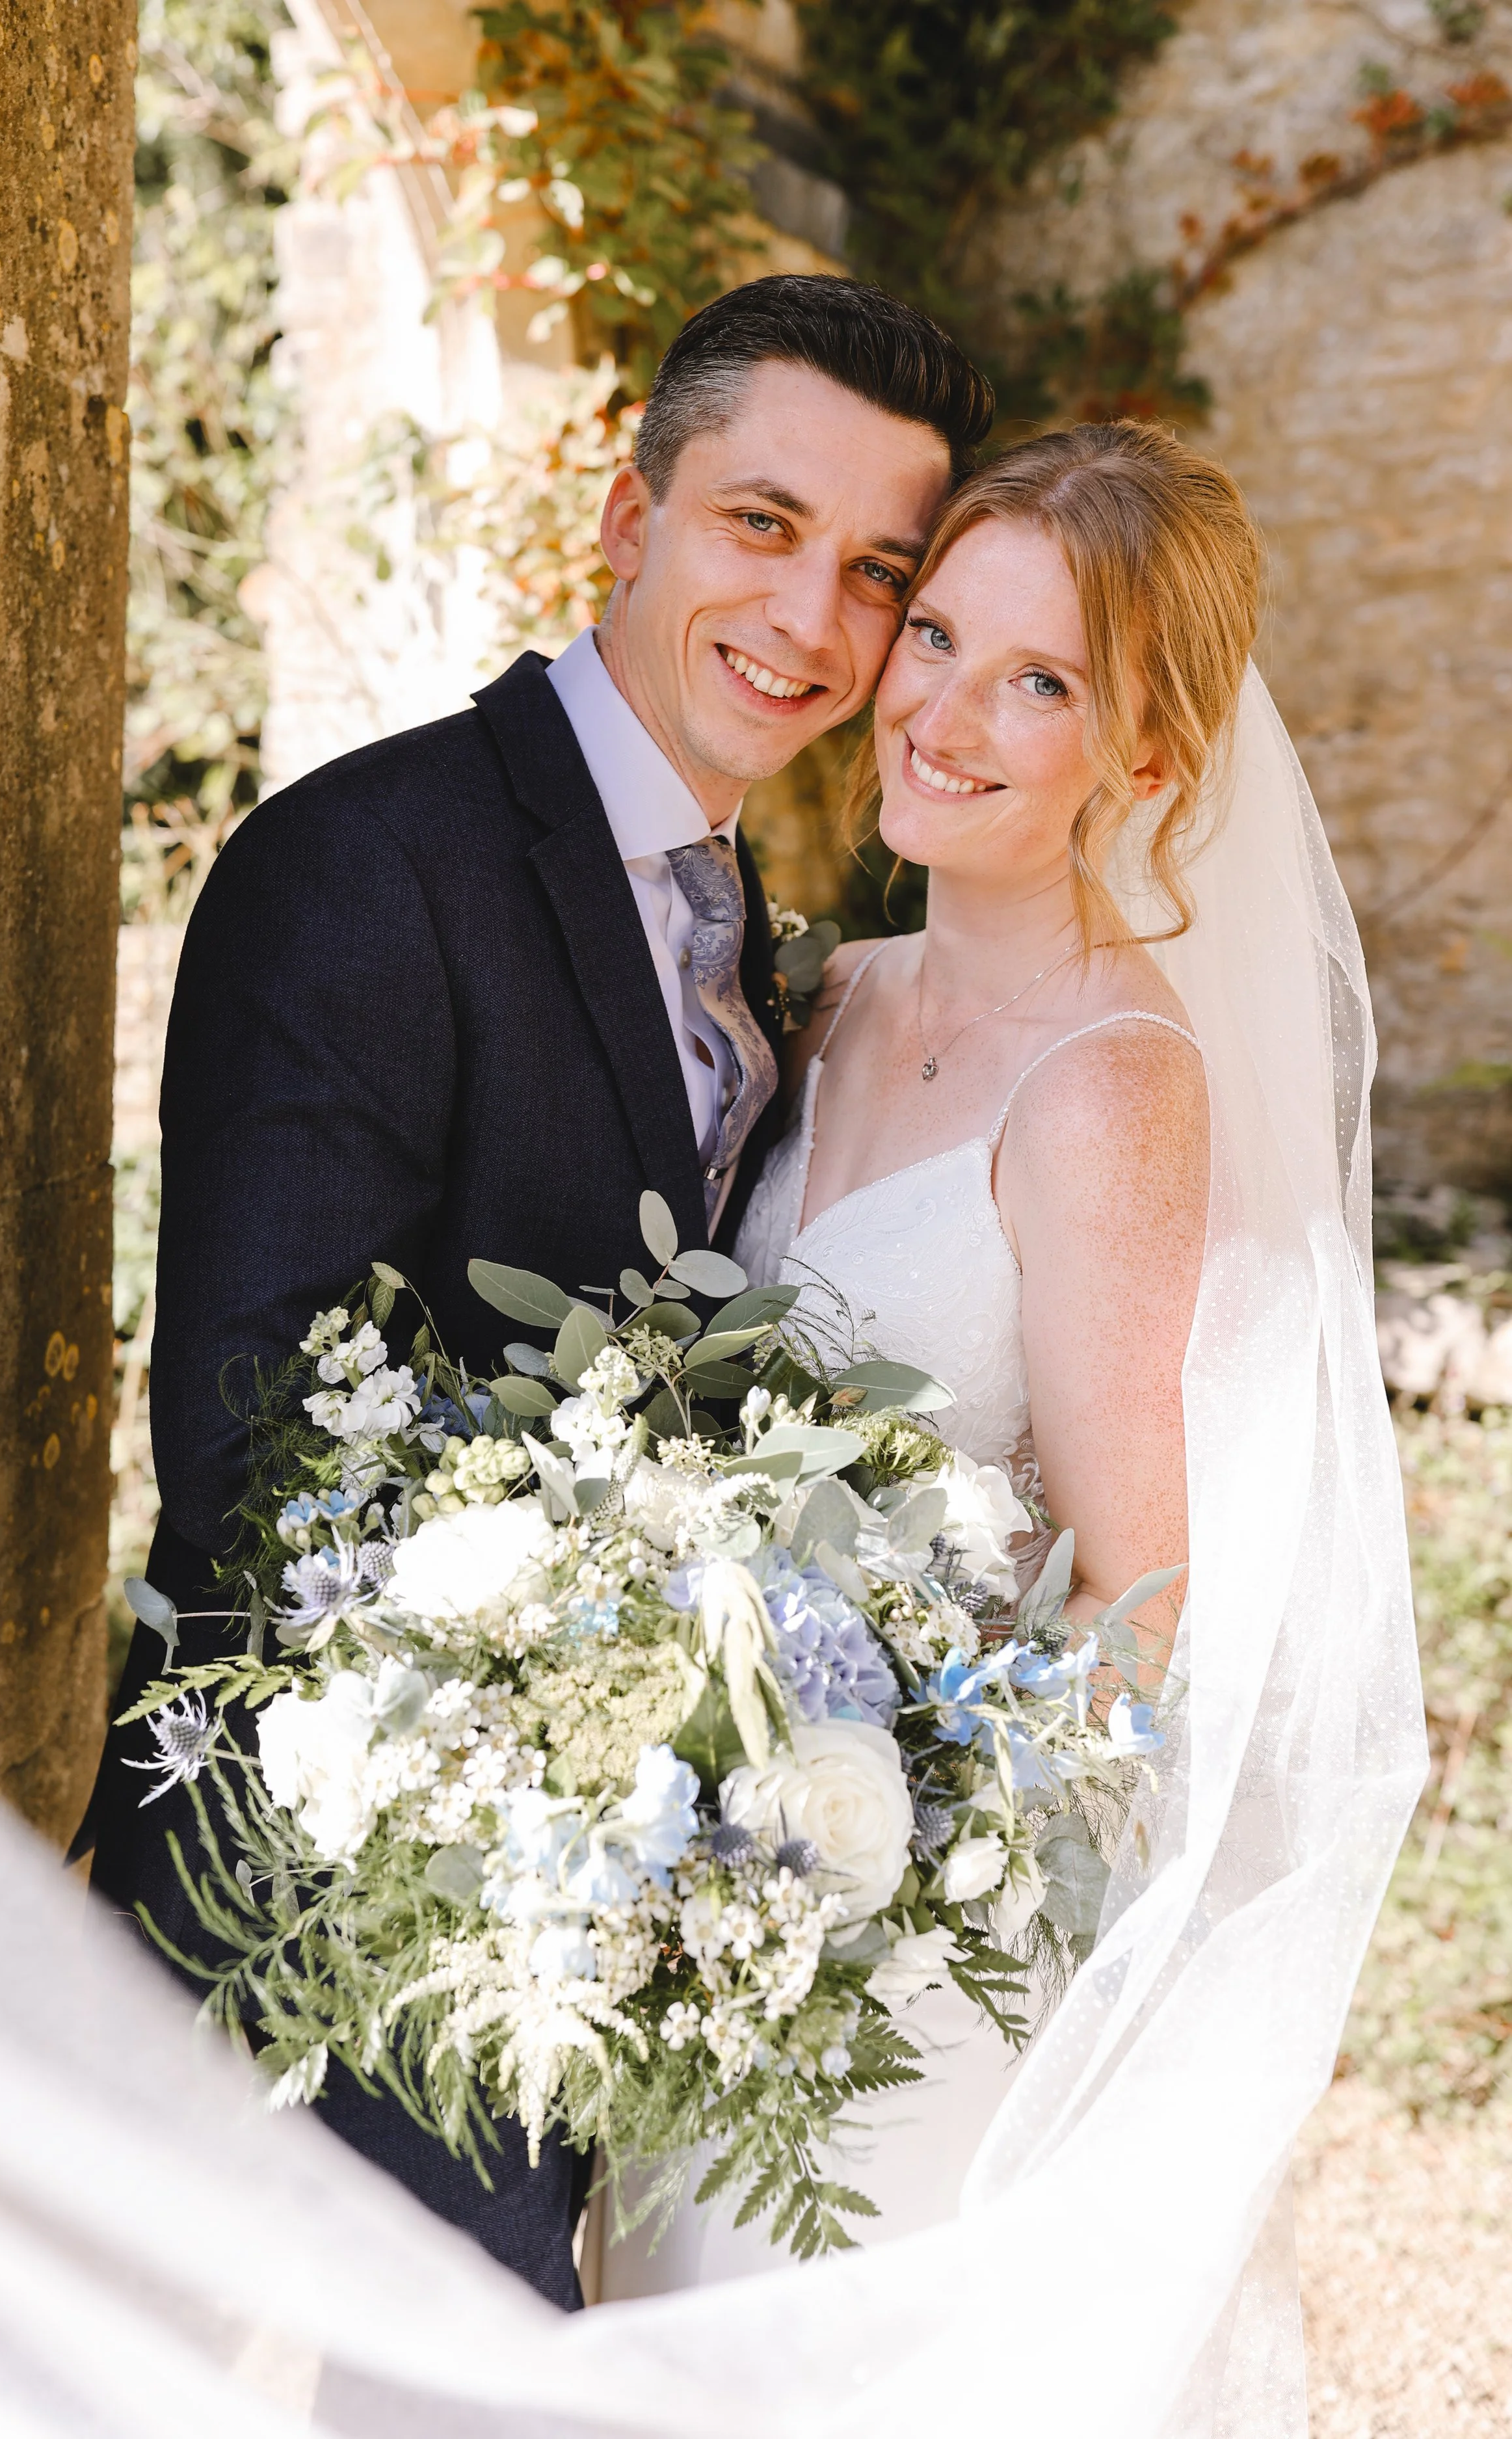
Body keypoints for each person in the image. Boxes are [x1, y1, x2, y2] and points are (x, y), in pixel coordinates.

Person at [75, 273, 992, 2311]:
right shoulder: (368, 858)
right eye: (760, 525)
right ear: (625, 514)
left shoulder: (739, 927)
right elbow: (251, 1447)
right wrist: (594, 1713)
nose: (811, 622)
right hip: (330, 1954)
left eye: (875, 572)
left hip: (612, 1957)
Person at [600, 421, 1419, 2319]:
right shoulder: (827, 996)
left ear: (1143, 762)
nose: (942, 713)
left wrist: (857, 1820)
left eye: (1036, 681)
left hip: (887, 1947)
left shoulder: (1110, 1085)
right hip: (696, 1872)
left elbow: (1137, 1607)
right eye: (940, 636)